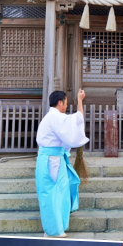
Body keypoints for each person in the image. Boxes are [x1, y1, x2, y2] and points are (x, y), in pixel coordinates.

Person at [35, 90, 89, 238]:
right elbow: (78, 120)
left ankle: (55, 228)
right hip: (52, 160)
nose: (66, 105)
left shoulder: (50, 117)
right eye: (65, 102)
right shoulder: (56, 117)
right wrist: (80, 100)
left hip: (49, 158)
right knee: (53, 193)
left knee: (54, 192)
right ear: (60, 102)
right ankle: (55, 230)